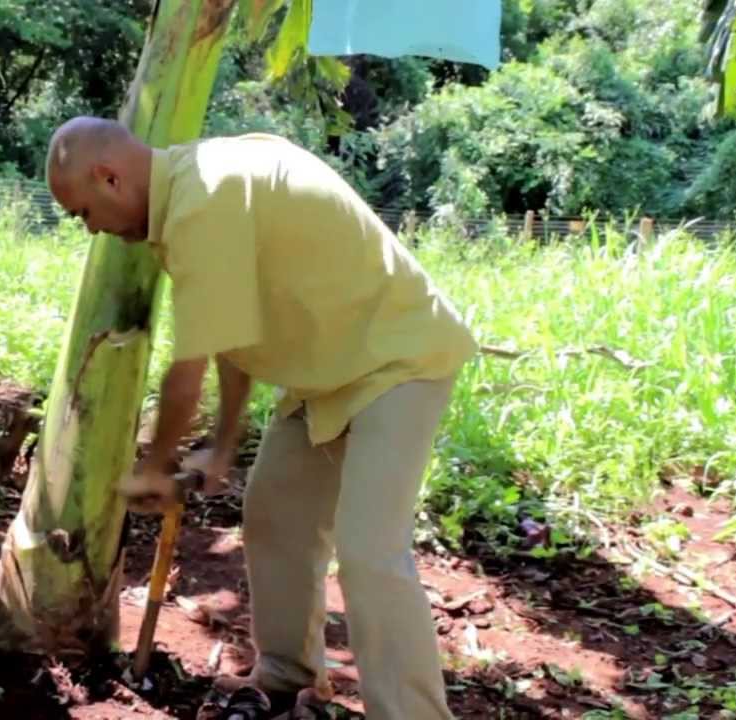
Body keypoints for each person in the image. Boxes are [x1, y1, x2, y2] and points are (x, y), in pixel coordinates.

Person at [45, 117, 478, 719]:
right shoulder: (192, 193)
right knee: (275, 513)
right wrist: (223, 444)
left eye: (84, 213)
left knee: (369, 551)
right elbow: (230, 335)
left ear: (110, 177)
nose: (92, 229)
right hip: (328, 369)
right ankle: (285, 674)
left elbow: (187, 370)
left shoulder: (204, 200)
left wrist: (156, 463)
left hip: (397, 359)